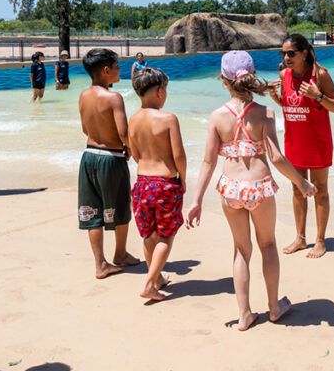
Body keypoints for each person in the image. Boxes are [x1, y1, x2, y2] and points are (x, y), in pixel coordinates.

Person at [186, 51, 315, 331]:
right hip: (259, 187)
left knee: (241, 251)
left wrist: (195, 201)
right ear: (251, 77)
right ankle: (274, 307)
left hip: (230, 189)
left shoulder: (217, 117)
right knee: (267, 245)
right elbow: (277, 158)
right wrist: (300, 182)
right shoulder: (264, 113)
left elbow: (209, 161)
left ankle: (244, 314)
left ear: (224, 81)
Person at [270, 34, 334, 258]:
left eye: (291, 53)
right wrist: (276, 97)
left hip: (318, 142)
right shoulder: (284, 75)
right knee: (297, 188)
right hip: (294, 141)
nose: (286, 57)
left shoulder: (320, 75)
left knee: (320, 190)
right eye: (283, 53)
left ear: (304, 53)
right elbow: (292, 104)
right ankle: (300, 239)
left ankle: (320, 240)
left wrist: (318, 95)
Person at [78, 48, 140, 278]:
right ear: (106, 70)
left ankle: (100, 264)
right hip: (111, 159)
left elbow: (85, 128)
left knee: (92, 211)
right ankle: (120, 254)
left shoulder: (83, 95)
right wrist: (131, 150)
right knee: (121, 208)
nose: (119, 70)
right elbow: (123, 132)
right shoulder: (114, 97)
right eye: (116, 66)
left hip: (89, 156)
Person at [128, 67, 187, 302]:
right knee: (166, 237)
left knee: (149, 236)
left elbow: (134, 153)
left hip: (142, 183)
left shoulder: (133, 119)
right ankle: (150, 283)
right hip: (165, 183)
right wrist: (182, 178)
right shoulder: (168, 119)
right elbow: (179, 155)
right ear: (160, 91)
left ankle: (158, 277)